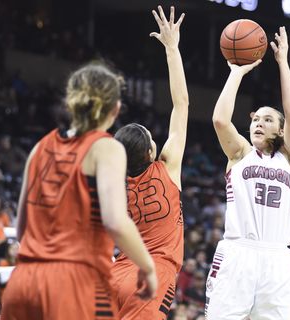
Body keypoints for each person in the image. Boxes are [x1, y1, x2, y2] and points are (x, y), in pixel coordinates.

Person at [0, 62, 157, 320]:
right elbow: (115, 221)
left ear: (71, 103)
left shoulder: (40, 147)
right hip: (75, 284)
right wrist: (148, 267)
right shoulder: (106, 148)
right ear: (115, 109)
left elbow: (21, 230)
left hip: (22, 282)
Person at [205, 26, 290, 320]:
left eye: (268, 119)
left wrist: (283, 61)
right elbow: (220, 119)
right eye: (256, 118)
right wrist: (237, 71)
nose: (259, 123)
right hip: (238, 253)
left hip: (277, 259)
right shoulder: (240, 153)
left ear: (281, 129)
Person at [111, 5, 188, 319]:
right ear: (151, 154)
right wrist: (172, 48)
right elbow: (181, 104)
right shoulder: (168, 166)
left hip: (115, 274)